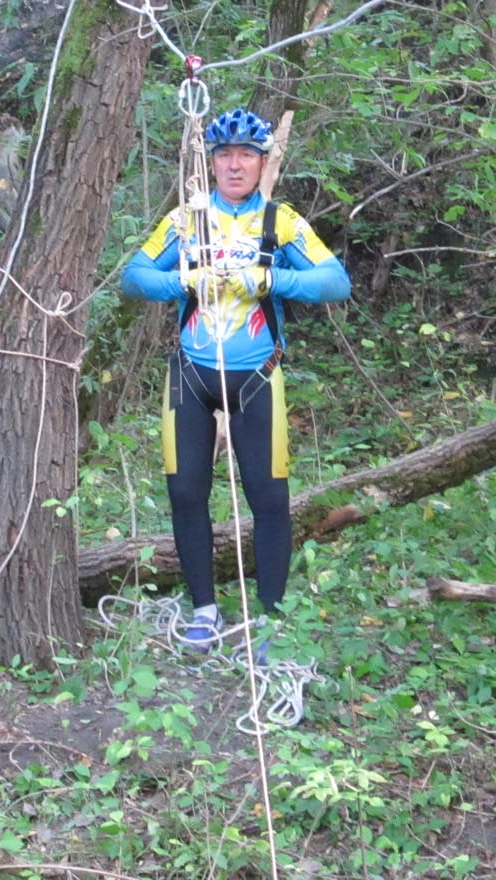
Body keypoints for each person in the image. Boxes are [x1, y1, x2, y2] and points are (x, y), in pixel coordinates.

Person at [121, 109, 350, 657]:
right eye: (225, 155)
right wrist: (184, 281)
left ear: (263, 162)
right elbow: (134, 275)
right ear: (211, 163)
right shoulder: (187, 219)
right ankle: (203, 610)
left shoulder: (280, 222)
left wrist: (269, 278)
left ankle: (270, 619)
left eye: (247, 155)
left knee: (269, 498)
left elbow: (335, 280)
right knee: (185, 494)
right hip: (191, 375)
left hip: (257, 377)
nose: (235, 165)